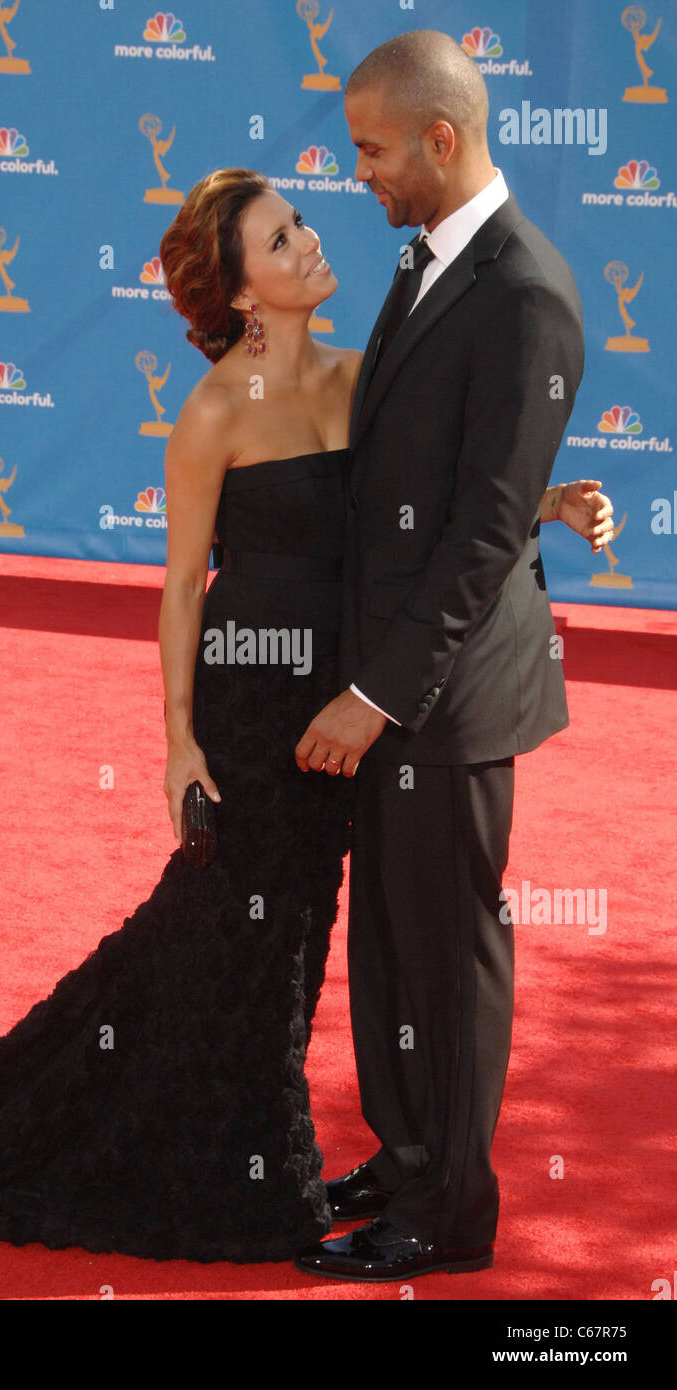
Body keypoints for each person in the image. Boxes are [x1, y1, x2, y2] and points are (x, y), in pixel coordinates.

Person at [0, 165, 610, 1264]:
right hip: (255, 709)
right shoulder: (209, 415)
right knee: (230, 935)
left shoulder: (361, 379)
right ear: (243, 293)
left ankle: (305, 1147)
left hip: (347, 703)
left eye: (297, 226)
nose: (307, 244)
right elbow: (178, 587)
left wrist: (548, 500)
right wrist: (178, 745)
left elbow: (440, 507)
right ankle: (214, 1156)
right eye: (279, 241)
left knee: (293, 937)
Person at [293, 30, 591, 1281]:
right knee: (388, 940)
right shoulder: (429, 261)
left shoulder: (524, 292)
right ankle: (406, 1151)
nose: (353, 171)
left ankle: (452, 1213)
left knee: (449, 947)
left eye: (367, 148)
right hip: (399, 673)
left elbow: (473, 533)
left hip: (446, 697)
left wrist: (372, 693)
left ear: (438, 137)